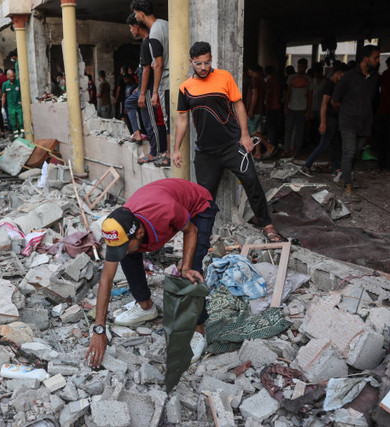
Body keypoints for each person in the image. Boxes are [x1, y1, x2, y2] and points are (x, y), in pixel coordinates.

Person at [86, 178, 219, 368]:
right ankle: (146, 307)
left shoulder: (165, 212)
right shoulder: (121, 228)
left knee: (191, 272)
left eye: (125, 245)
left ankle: (198, 331)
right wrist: (99, 330)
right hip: (161, 199)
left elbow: (191, 230)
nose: (122, 249)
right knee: (128, 256)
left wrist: (187, 265)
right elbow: (106, 280)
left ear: (140, 233)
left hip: (198, 206)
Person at [173, 41, 283, 243]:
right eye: (198, 64)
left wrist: (245, 135)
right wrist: (176, 149)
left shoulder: (224, 77)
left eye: (207, 62)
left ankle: (266, 224)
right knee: (204, 197)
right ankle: (201, 237)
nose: (204, 67)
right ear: (191, 62)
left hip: (233, 146)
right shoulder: (185, 88)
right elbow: (182, 119)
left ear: (211, 59)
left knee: (252, 181)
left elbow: (238, 104)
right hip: (206, 152)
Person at [332, 45, 380, 197]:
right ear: (366, 59)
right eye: (376, 57)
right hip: (348, 122)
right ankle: (348, 184)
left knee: (356, 153)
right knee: (349, 153)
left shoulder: (375, 78)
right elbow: (335, 100)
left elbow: (375, 101)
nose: (378, 61)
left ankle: (345, 176)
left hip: (365, 122)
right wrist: (347, 113)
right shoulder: (349, 77)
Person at [132, 0, 170, 167]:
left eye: (135, 14)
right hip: (172, 79)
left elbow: (159, 64)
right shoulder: (164, 24)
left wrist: (154, 92)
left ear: (141, 13)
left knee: (166, 120)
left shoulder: (153, 33)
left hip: (167, 82)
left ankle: (166, 154)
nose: (135, 17)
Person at [299, 62, 349, 177]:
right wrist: (323, 122)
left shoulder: (334, 84)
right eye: (344, 75)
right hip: (329, 119)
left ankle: (336, 168)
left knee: (333, 144)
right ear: (339, 74)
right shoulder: (330, 85)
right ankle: (306, 166)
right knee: (324, 144)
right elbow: (324, 104)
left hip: (333, 119)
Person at [283, 58, 313, 158]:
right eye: (299, 66)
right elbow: (288, 93)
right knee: (288, 129)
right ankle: (286, 149)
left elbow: (310, 96)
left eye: (302, 66)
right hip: (291, 107)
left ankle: (296, 150)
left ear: (306, 67)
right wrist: (286, 106)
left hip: (302, 108)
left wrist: (308, 111)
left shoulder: (309, 79)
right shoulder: (291, 77)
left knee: (299, 131)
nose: (300, 68)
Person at [245, 64, 275, 159]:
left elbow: (255, 95)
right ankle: (257, 153)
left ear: (252, 70)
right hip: (260, 109)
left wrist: (251, 110)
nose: (248, 72)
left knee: (251, 131)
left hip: (255, 110)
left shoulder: (255, 79)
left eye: (249, 70)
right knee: (258, 131)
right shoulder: (262, 79)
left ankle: (268, 146)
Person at [1, 69, 24, 137]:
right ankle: (16, 135)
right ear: (7, 76)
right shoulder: (5, 85)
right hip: (11, 107)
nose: (12, 78)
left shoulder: (19, 83)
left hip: (19, 106)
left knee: (21, 121)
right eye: (11, 76)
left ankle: (23, 134)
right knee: (13, 123)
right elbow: (4, 96)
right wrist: (2, 107)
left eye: (13, 76)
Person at [264, 66, 282, 149]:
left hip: (271, 107)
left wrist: (265, 107)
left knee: (270, 128)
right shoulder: (276, 81)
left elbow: (268, 96)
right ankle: (274, 144)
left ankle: (271, 146)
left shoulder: (268, 82)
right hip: (277, 106)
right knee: (274, 127)